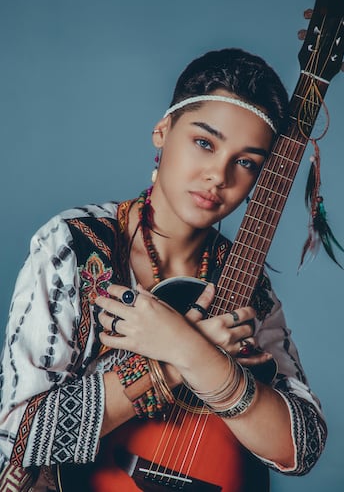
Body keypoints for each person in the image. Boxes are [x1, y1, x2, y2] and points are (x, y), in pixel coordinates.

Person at [0, 48, 327, 491]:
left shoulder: (249, 284)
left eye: (246, 162)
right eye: (205, 143)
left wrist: (190, 350)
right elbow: (19, 438)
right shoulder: (73, 244)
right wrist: (173, 362)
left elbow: (302, 447)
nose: (219, 175)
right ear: (162, 130)